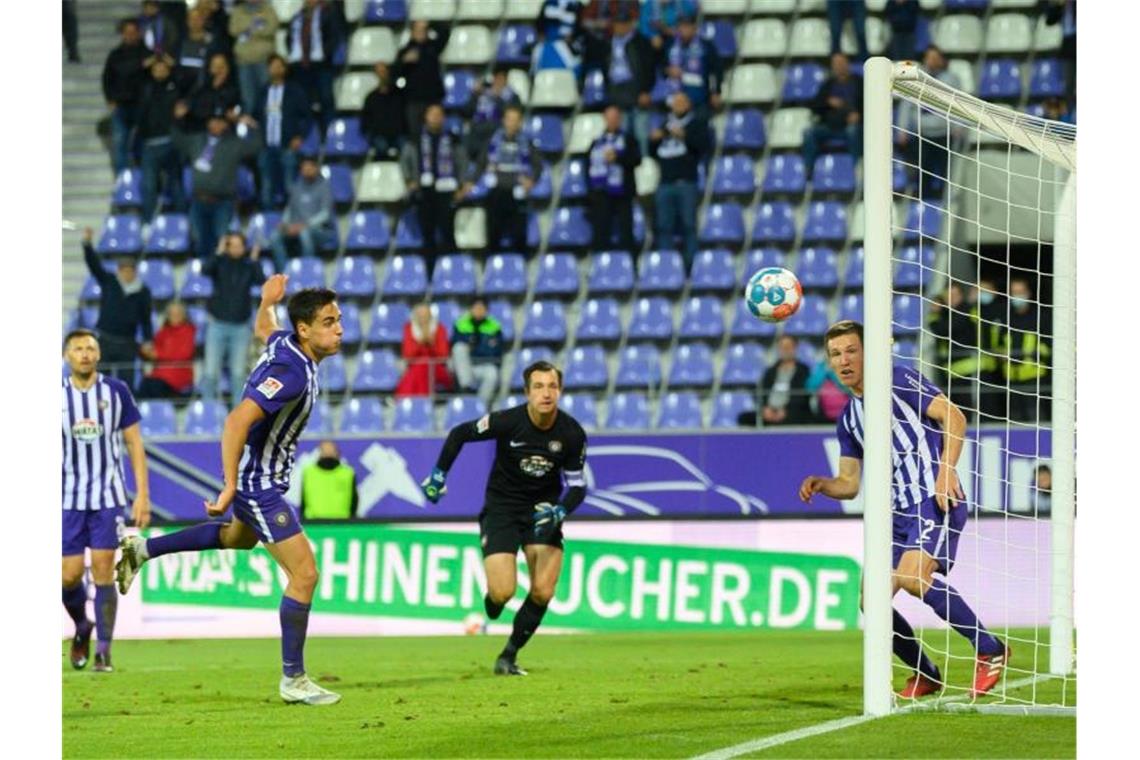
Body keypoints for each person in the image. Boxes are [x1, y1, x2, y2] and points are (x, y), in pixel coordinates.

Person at [116, 279, 345, 706]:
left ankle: (142, 550)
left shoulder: (285, 343)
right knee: (305, 574)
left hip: (261, 480)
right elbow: (236, 422)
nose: (339, 330)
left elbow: (265, 326)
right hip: (258, 485)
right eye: (329, 322)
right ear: (305, 330)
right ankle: (293, 679)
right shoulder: (291, 373)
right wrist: (230, 486)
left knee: (234, 538)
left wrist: (265, 300)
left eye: (340, 320)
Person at [799, 320, 1009, 700]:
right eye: (835, 354)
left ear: (868, 352)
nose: (844, 360)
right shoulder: (849, 418)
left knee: (914, 578)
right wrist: (824, 484)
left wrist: (946, 469)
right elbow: (849, 484)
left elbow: (954, 415)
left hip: (933, 498)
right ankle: (924, 672)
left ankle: (990, 648)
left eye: (851, 350)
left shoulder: (896, 379)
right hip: (894, 515)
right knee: (871, 600)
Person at [420, 361, 588, 676]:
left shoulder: (572, 433)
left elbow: (578, 486)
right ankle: (493, 602)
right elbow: (460, 434)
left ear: (560, 390)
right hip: (502, 509)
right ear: (526, 392)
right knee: (502, 593)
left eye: (552, 386)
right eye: (538, 387)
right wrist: (438, 475)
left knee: (543, 590)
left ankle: (508, 656)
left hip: (543, 511)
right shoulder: (508, 422)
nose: (546, 393)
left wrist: (561, 511)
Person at [62, 329, 151, 673]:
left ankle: (104, 650)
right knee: (68, 577)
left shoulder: (116, 392)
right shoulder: (55, 395)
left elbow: (134, 443)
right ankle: (82, 626)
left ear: (98, 355)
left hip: (107, 496)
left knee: (102, 570)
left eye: (90, 348)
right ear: (67, 356)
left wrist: (142, 494)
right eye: (78, 348)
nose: (85, 353)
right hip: (67, 497)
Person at [173, 108, 263, 260]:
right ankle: (202, 277)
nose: (216, 124)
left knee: (221, 242)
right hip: (198, 200)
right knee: (199, 240)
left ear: (226, 125)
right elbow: (177, 139)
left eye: (220, 121)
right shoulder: (196, 140)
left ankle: (219, 277)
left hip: (223, 202)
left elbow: (256, 146)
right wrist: (178, 119)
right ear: (208, 123)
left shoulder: (234, 144)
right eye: (213, 120)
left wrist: (252, 127)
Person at [400, 104, 471, 277]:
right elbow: (405, 160)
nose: (436, 118)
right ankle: (430, 275)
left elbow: (462, 162)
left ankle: (453, 274)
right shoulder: (416, 138)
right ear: (426, 117)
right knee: (428, 235)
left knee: (448, 234)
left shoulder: (452, 138)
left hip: (447, 192)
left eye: (439, 114)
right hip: (425, 192)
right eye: (432, 114)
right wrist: (410, 180)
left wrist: (461, 185)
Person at [82, 228, 154, 384]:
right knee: (100, 381)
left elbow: (146, 318)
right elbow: (94, 265)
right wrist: (87, 244)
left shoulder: (143, 291)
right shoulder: (109, 281)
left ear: (135, 272)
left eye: (130, 270)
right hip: (105, 340)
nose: (127, 274)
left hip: (128, 342)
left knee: (125, 383)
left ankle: (123, 408)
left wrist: (148, 340)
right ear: (119, 271)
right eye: (124, 270)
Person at [201, 233, 267, 399]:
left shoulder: (248, 266)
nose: (236, 249)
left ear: (244, 247)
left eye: (239, 245)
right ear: (227, 246)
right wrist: (218, 252)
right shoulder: (219, 262)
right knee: (210, 372)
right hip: (217, 324)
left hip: (241, 327)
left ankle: (238, 418)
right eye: (232, 245)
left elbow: (262, 281)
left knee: (238, 374)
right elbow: (205, 269)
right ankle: (209, 412)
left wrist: (254, 260)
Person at [650, 90, 708, 272]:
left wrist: (684, 135)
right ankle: (667, 267)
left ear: (688, 105)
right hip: (665, 183)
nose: (678, 106)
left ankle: (691, 266)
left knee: (689, 226)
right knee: (663, 226)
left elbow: (703, 147)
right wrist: (653, 140)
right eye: (676, 102)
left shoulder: (696, 124)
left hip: (686, 183)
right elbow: (653, 152)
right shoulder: (664, 124)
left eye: (682, 102)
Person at [896, 45, 960, 200]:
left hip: (944, 134)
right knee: (924, 172)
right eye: (929, 57)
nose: (932, 61)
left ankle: (946, 204)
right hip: (921, 134)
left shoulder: (951, 79)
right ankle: (924, 204)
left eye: (936, 58)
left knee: (946, 172)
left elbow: (958, 105)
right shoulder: (914, 77)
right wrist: (902, 130)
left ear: (941, 60)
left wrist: (958, 126)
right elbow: (906, 104)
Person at [593, 7, 655, 157]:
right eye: (617, 23)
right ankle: (625, 170)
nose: (620, 27)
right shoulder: (608, 44)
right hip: (617, 94)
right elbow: (604, 68)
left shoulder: (641, 43)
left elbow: (649, 68)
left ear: (630, 24)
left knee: (641, 134)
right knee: (621, 136)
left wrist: (646, 90)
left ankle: (643, 169)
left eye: (623, 23)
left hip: (636, 93)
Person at [476, 104, 537, 254]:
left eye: (516, 120)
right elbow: (481, 163)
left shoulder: (527, 143)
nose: (512, 123)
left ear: (520, 122)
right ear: (504, 120)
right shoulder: (493, 141)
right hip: (496, 193)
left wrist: (531, 179)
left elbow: (538, 165)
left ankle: (520, 270)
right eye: (509, 119)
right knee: (493, 236)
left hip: (517, 194)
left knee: (519, 237)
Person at [255, 54, 312, 210]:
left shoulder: (295, 91)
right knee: (266, 187)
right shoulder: (263, 92)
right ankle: (269, 220)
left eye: (279, 66)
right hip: (267, 146)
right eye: (272, 65)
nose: (275, 69)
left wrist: (299, 137)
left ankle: (294, 217)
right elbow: (255, 115)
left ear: (285, 69)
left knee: (290, 185)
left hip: (287, 145)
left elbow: (307, 117)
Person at [994, 277, 1052, 424]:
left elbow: (1049, 347)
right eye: (1013, 292)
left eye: (1020, 292)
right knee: (1014, 419)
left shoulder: (1041, 317)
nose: (1017, 296)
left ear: (1028, 293)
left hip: (1034, 378)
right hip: (1011, 379)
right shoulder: (1006, 317)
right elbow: (999, 344)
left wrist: (1026, 355)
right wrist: (1000, 354)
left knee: (1037, 418)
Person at [137, 55, 187, 222]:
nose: (159, 71)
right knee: (149, 186)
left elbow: (189, 80)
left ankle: (182, 221)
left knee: (176, 184)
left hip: (171, 142)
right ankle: (148, 224)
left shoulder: (176, 87)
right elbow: (131, 79)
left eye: (163, 68)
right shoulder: (144, 88)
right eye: (156, 68)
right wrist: (144, 64)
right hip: (149, 144)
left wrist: (174, 63)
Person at [587, 104, 641, 252]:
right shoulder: (596, 142)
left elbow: (637, 160)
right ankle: (600, 268)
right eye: (610, 117)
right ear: (604, 119)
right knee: (601, 232)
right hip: (601, 194)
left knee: (626, 232)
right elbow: (589, 167)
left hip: (623, 193)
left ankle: (629, 267)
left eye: (616, 117)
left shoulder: (629, 140)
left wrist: (618, 158)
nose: (613, 121)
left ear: (620, 119)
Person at [803, 52, 863, 182]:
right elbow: (815, 107)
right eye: (836, 64)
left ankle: (857, 169)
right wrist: (828, 102)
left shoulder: (859, 82)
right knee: (809, 133)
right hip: (830, 126)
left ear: (848, 64)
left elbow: (869, 104)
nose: (839, 66)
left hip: (852, 125)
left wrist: (859, 115)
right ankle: (809, 170)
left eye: (841, 63)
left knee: (853, 131)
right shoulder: (828, 84)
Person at [285, 0, 345, 130]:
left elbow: (334, 37)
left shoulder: (328, 14)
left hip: (321, 65)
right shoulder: (297, 17)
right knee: (303, 102)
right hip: (300, 66)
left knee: (326, 99)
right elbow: (289, 38)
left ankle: (330, 132)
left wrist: (324, 53)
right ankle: (308, 134)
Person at [270, 156, 335, 271]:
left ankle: (307, 272)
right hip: (295, 227)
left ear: (316, 169)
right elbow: (289, 209)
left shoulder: (324, 187)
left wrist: (305, 225)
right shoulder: (297, 187)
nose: (306, 171)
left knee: (305, 233)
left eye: (309, 169)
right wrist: (285, 223)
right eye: (304, 169)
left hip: (320, 230)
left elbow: (325, 215)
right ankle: (285, 273)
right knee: (275, 236)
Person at [103, 18, 151, 173]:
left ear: (139, 33)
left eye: (133, 32)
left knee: (142, 145)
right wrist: (110, 98)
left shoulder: (148, 54)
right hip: (121, 105)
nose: (130, 35)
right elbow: (108, 78)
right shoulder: (115, 55)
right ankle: (122, 182)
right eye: (126, 32)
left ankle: (142, 181)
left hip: (142, 107)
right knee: (120, 144)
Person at [927, 282, 980, 421]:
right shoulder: (945, 314)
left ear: (961, 295)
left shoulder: (967, 310)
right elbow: (937, 330)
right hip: (949, 371)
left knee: (969, 407)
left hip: (968, 369)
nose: (951, 298)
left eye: (954, 295)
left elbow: (943, 330)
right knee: (953, 408)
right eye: (948, 295)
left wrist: (935, 314)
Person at [394, 20, 450, 138]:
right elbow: (395, 74)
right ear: (412, 33)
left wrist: (430, 23)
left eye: (423, 30)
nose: (421, 33)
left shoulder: (433, 47)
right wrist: (404, 62)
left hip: (433, 99)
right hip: (414, 100)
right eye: (418, 30)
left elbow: (445, 31)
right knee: (415, 135)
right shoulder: (404, 51)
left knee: (436, 132)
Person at [663, 13, 722, 119]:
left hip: (699, 98)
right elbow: (660, 67)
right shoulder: (669, 45)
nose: (683, 30)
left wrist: (716, 92)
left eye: (686, 27)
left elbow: (717, 70)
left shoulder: (706, 46)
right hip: (674, 99)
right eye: (680, 26)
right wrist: (668, 70)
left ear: (694, 28)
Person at [451, 298, 505, 408]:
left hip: (484, 366)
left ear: (486, 310)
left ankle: (479, 405)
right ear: (471, 309)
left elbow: (496, 351)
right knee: (459, 348)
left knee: (492, 373)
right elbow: (455, 346)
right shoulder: (461, 324)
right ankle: (466, 388)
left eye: (482, 308)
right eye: (476, 308)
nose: (479, 311)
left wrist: (474, 348)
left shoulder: (494, 326)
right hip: (465, 368)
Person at [137, 301, 196, 399]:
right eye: (172, 314)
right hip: (159, 375)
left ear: (184, 315)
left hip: (178, 377)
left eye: (178, 314)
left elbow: (183, 354)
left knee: (154, 386)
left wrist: (158, 354)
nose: (175, 316)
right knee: (144, 385)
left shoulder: (189, 331)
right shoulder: (164, 331)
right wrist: (146, 352)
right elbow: (154, 348)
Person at [229, 0, 279, 117]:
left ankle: (267, 123)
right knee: (247, 97)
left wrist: (247, 29)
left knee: (266, 94)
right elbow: (233, 29)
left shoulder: (268, 9)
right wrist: (257, 25)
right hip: (243, 60)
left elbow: (271, 28)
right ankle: (249, 126)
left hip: (264, 60)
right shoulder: (237, 11)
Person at [465, 64, 522, 165]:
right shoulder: (483, 92)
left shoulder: (513, 97)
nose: (499, 82)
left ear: (506, 80)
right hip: (479, 131)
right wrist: (474, 95)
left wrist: (498, 98)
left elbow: (512, 115)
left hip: (499, 132)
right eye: (497, 78)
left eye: (502, 79)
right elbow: (467, 111)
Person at [395, 302, 453, 397]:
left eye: (426, 315)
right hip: (416, 369)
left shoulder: (440, 329)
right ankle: (422, 401)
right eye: (420, 316)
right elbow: (407, 356)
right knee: (420, 367)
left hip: (438, 369)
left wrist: (431, 344)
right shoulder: (409, 329)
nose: (423, 319)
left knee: (424, 365)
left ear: (430, 316)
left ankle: (403, 398)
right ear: (415, 316)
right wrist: (420, 344)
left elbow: (443, 355)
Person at [759, 336, 813, 426]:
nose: (785, 350)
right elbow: (762, 392)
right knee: (745, 417)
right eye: (782, 347)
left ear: (795, 348)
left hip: (792, 411)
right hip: (770, 410)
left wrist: (786, 410)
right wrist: (766, 408)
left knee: (797, 416)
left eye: (788, 347)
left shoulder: (803, 370)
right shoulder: (771, 371)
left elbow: (802, 395)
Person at [301, 441, 358, 520]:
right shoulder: (308, 472)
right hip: (313, 522)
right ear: (320, 452)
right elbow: (303, 499)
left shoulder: (348, 473)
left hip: (342, 522)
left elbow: (354, 500)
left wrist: (352, 521)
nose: (328, 452)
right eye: (325, 449)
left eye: (331, 449)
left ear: (337, 452)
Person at [361, 62, 406, 159]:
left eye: (384, 71)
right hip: (379, 135)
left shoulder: (399, 95)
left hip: (397, 135)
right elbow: (365, 121)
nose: (382, 75)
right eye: (380, 72)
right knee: (381, 146)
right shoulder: (371, 98)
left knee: (406, 146)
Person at [186, 52, 241, 132]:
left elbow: (238, 112)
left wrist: (228, 121)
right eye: (215, 66)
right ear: (209, 69)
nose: (219, 70)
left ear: (228, 68)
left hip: (227, 135)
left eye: (222, 66)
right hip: (202, 132)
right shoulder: (200, 87)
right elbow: (195, 112)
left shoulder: (237, 88)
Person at [532, 0, 586, 75]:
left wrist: (572, 37)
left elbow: (580, 28)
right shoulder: (548, 3)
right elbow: (539, 24)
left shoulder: (578, 6)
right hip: (547, 42)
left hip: (569, 44)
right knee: (538, 51)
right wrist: (541, 35)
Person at [175, 7, 219, 91]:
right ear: (187, 21)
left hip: (205, 87)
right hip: (182, 85)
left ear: (204, 20)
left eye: (198, 19)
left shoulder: (212, 41)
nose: (194, 22)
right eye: (191, 19)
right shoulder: (181, 40)